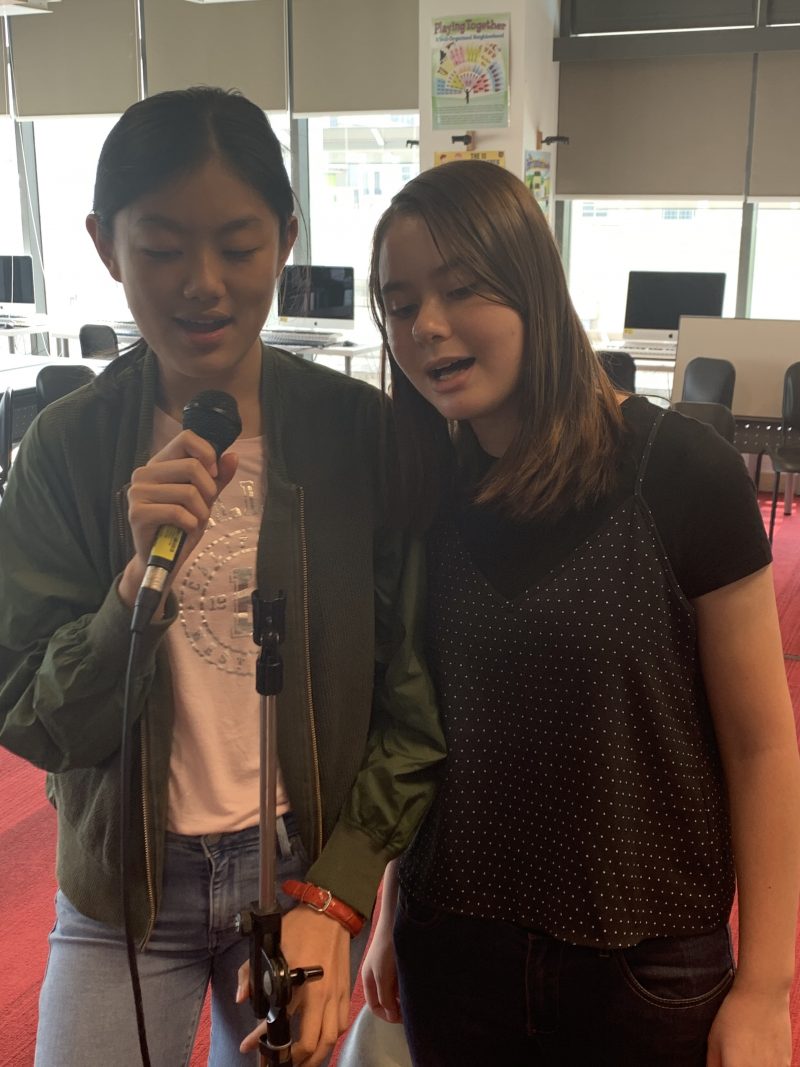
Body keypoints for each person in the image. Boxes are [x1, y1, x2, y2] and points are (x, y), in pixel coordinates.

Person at [0, 87, 444, 1067]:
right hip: (124, 883)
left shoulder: (356, 435)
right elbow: (33, 715)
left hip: (295, 870)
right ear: (104, 245)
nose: (202, 284)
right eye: (161, 248)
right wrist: (131, 592)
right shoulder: (67, 449)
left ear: (285, 239)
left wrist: (339, 890)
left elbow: (411, 708)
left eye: (238, 246)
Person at [360, 160, 800, 1066]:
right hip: (454, 946)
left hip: (645, 962)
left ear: (532, 285)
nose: (425, 325)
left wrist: (765, 985)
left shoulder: (682, 473)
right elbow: (425, 728)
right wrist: (390, 908)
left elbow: (762, 746)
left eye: (460, 288)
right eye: (400, 304)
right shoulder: (427, 490)